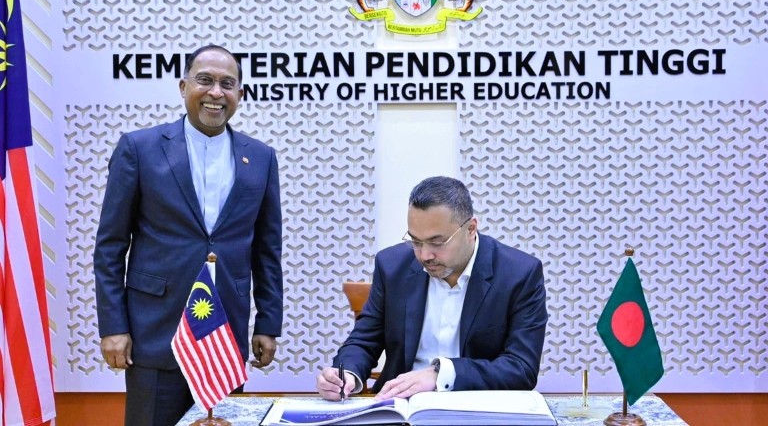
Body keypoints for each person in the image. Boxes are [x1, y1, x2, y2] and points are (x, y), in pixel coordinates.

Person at [93, 44, 283, 426]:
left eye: (227, 84)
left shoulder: (261, 157)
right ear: (183, 87)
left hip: (224, 338)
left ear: (240, 93)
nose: (216, 92)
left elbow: (267, 250)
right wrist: (113, 327)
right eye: (205, 80)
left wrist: (267, 323)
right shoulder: (139, 148)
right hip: (154, 335)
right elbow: (110, 246)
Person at [316, 176, 548, 400]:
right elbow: (364, 340)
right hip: (400, 407)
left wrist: (441, 374)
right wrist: (346, 374)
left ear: (471, 229)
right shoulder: (392, 266)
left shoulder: (519, 274)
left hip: (475, 406)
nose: (425, 255)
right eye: (416, 241)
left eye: (437, 242)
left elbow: (521, 368)